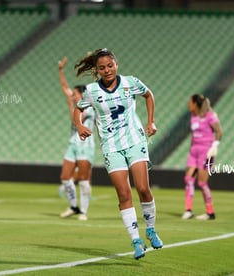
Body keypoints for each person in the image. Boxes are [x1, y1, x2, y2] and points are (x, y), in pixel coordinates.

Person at [73, 48, 163, 260]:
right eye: (102, 67)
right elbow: (78, 109)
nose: (107, 70)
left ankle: (150, 229)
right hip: (111, 146)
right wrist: (79, 125)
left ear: (116, 64)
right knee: (123, 194)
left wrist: (151, 121)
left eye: (110, 66)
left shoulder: (131, 82)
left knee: (142, 188)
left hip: (134, 140)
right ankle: (136, 241)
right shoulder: (92, 91)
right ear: (97, 70)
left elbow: (148, 95)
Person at [58, 56, 95, 221]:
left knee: (83, 180)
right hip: (73, 143)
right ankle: (73, 206)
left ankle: (84, 212)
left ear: (81, 95)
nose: (72, 96)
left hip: (85, 145)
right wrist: (60, 70)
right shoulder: (74, 103)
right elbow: (65, 87)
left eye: (74, 94)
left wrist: (70, 105)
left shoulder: (89, 108)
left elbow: (76, 120)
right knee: (66, 178)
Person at [182, 94, 223, 220]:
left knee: (202, 182)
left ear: (195, 103)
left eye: (190, 102)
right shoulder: (193, 116)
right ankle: (188, 210)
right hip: (194, 151)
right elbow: (194, 135)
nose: (188, 104)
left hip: (206, 151)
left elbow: (219, 131)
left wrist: (215, 146)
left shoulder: (210, 116)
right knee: (188, 179)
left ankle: (210, 212)